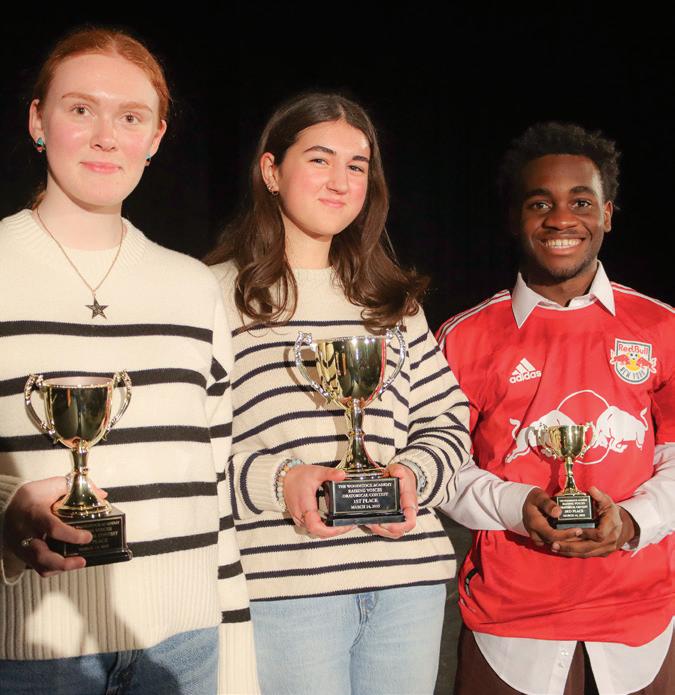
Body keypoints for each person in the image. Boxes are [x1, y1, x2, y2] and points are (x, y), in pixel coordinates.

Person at [0, 27, 257, 694]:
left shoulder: (192, 286)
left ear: (156, 137)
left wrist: (233, 658)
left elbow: (215, 484)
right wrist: (6, 513)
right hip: (30, 653)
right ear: (37, 120)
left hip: (186, 647)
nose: (106, 137)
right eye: (81, 108)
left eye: (131, 117)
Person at [207, 92, 475, 695]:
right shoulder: (213, 295)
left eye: (357, 166)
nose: (340, 181)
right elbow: (189, 449)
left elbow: (448, 418)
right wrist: (281, 483)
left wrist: (412, 477)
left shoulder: (393, 300)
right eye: (319, 159)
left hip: (407, 584)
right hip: (286, 589)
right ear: (271, 170)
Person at [437, 122, 674, 695]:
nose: (561, 219)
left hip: (641, 621)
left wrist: (633, 521)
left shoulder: (660, 327)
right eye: (540, 203)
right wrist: (518, 507)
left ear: (608, 214)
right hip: (510, 622)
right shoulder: (463, 337)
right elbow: (441, 469)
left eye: (581, 202)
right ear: (515, 217)